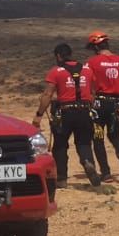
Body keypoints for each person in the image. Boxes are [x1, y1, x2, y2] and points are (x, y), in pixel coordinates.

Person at [33, 42, 102, 187]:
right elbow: (93, 93)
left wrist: (38, 115)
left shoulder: (56, 71)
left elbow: (47, 94)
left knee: (60, 145)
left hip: (65, 112)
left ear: (58, 56)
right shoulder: (87, 70)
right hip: (84, 111)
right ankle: (87, 162)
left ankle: (62, 178)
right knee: (84, 143)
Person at [84, 30, 119, 181]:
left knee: (98, 138)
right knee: (115, 136)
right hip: (116, 104)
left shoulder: (91, 63)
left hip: (98, 104)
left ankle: (105, 173)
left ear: (95, 47)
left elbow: (86, 84)